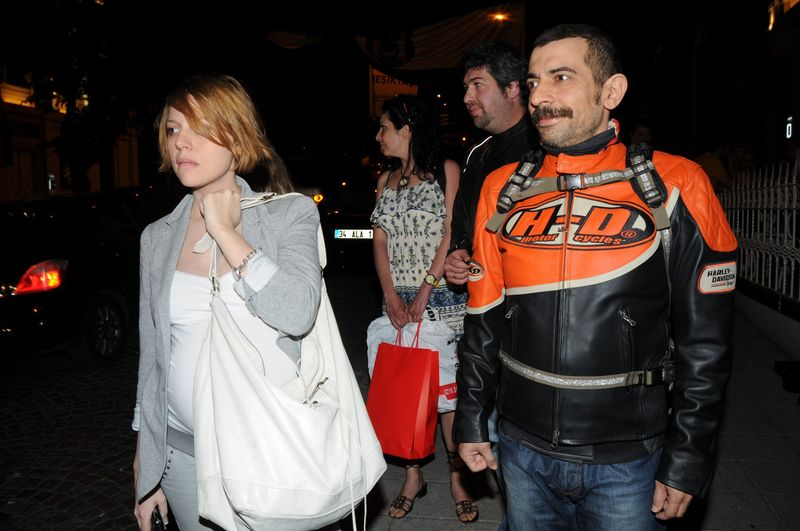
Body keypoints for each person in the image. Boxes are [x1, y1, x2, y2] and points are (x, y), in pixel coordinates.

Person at [454, 24, 738, 530]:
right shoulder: (502, 188)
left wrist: (689, 458)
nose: (539, 96)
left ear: (612, 91)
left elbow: (707, 346)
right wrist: (471, 417)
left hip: (627, 459)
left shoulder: (678, 183)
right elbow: (482, 317)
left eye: (561, 77)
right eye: (534, 80)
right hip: (520, 448)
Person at [131, 75, 322, 531]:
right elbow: (153, 357)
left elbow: (298, 313)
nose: (181, 142)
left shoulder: (289, 214)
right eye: (174, 129)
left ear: (236, 137)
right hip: (184, 455)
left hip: (273, 451)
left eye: (199, 128)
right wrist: (145, 463)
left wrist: (226, 232)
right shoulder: (157, 238)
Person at [370, 94, 477, 523]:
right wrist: (391, 295)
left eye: (384, 127)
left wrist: (425, 290)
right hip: (397, 302)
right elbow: (379, 241)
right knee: (405, 391)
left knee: (447, 398)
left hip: (442, 300)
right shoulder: (385, 180)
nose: (379, 136)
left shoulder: (447, 171)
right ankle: (413, 478)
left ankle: (458, 479)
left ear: (407, 129)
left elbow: (451, 233)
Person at [444, 41, 537, 284]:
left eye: (478, 85)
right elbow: (462, 222)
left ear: (512, 87)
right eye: (466, 87)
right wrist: (457, 252)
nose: (467, 97)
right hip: (482, 294)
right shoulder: (476, 154)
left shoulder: (544, 150)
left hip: (529, 289)